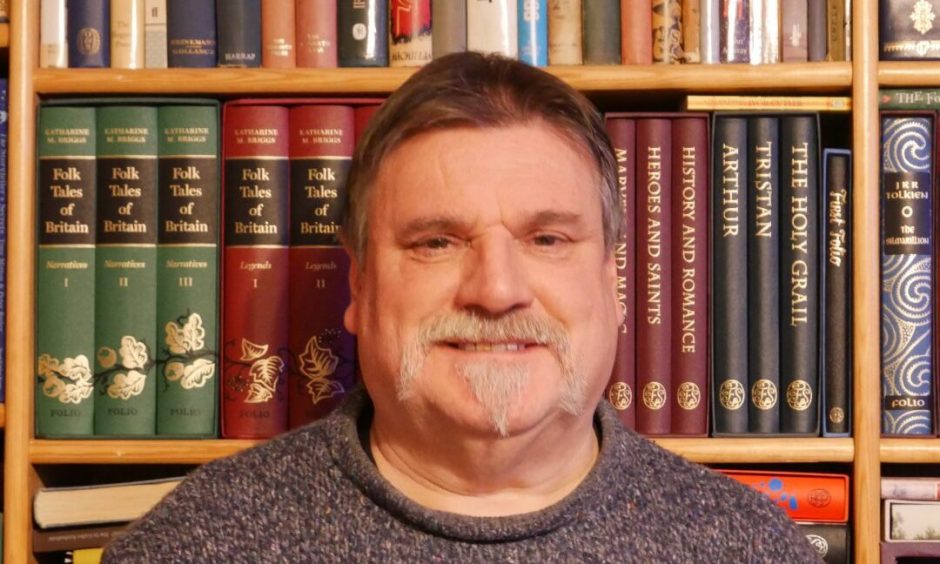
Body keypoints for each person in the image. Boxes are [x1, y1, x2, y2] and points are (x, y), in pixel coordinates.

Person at [103, 52, 822, 562]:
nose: (496, 289)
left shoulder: (750, 547)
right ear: (358, 287)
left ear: (611, 280)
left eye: (547, 238)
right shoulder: (193, 543)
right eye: (437, 242)